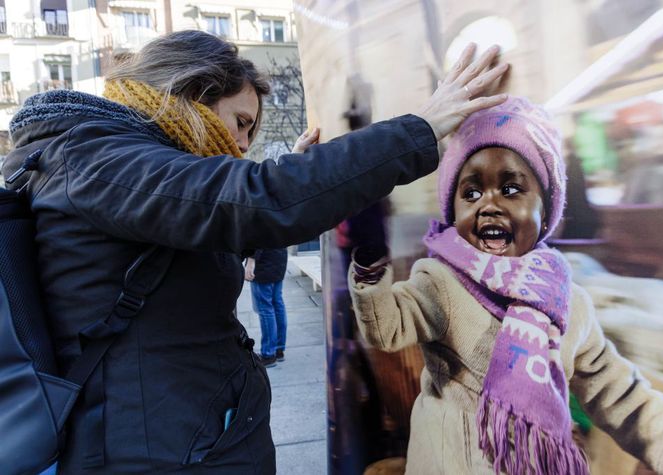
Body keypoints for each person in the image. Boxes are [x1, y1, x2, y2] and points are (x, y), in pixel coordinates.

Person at [2, 30, 509, 473]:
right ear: (191, 94)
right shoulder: (99, 156)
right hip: (159, 451)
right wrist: (423, 126)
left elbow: (210, 228)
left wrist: (300, 175)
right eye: (240, 123)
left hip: (179, 436)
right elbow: (256, 201)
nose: (244, 144)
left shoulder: (110, 157)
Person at [348, 96, 663, 475]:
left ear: (547, 207)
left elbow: (622, 396)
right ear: (453, 209)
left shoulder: (569, 302)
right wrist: (371, 271)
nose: (487, 204)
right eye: (470, 193)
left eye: (510, 188)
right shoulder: (441, 281)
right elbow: (387, 330)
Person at [245, 248, 289, 367]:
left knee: (265, 309)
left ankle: (268, 354)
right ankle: (278, 350)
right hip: (279, 258)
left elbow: (258, 233)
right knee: (277, 304)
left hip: (264, 262)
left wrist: (251, 259)